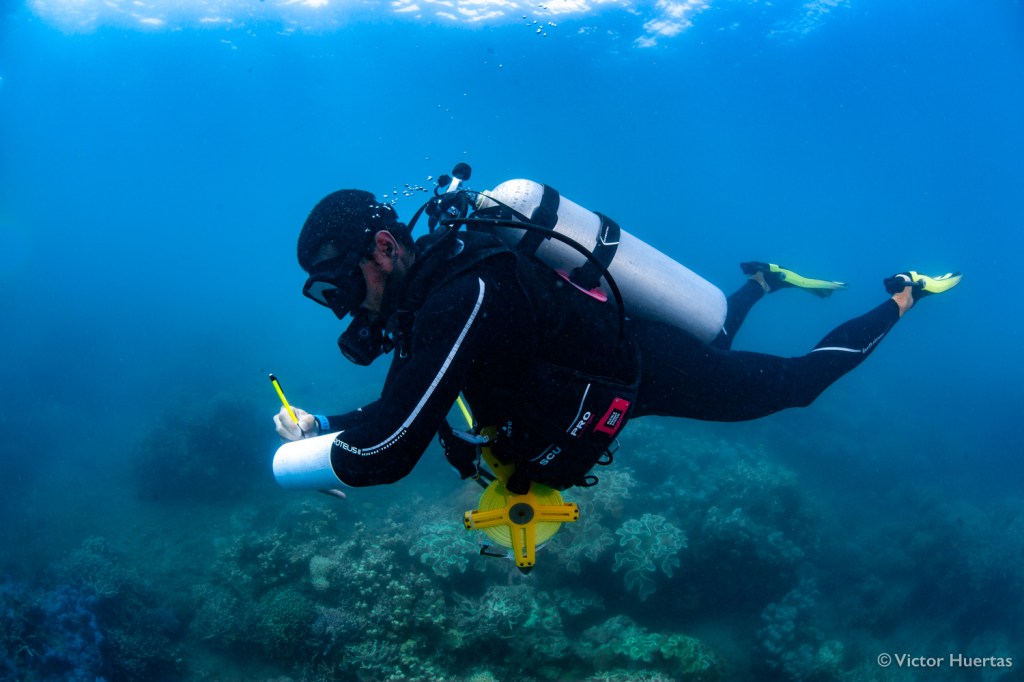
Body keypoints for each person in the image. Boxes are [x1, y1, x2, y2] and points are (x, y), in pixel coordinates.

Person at [274, 188, 961, 495]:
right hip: (596, 377)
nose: (339, 307)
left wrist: (303, 464)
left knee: (795, 386)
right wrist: (322, 423)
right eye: (323, 295)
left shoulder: (462, 294)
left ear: (386, 247)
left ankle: (904, 292)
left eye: (337, 285)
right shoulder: (431, 303)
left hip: (639, 368)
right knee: (718, 336)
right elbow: (405, 399)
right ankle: (764, 280)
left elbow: (388, 450)